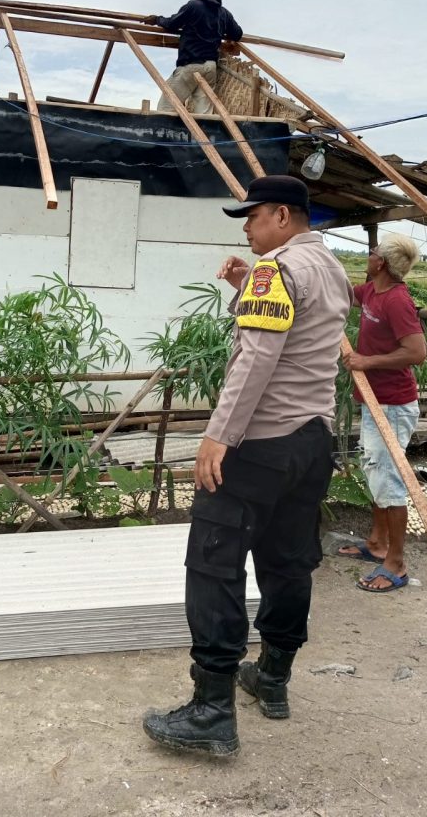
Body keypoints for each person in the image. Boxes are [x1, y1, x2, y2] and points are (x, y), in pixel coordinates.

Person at [143, 176, 353, 757]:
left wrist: (218, 436)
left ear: (282, 215)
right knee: (288, 562)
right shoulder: (330, 267)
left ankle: (211, 708)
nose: (246, 226)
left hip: (258, 445)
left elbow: (258, 356)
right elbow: (298, 329)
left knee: (214, 566)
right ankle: (273, 678)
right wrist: (245, 284)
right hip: (311, 444)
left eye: (253, 216)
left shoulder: (275, 271)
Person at [338, 234, 427, 592]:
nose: (368, 255)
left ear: (382, 264)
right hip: (375, 399)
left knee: (388, 479)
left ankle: (396, 563)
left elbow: (417, 351)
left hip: (392, 404)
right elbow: (345, 294)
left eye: (373, 253)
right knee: (374, 469)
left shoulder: (397, 301)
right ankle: (377, 544)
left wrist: (367, 361)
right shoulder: (373, 290)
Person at [142, 0, 242, 114]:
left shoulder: (194, 6)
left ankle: (163, 136)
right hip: (210, 67)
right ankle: (202, 136)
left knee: (166, 108)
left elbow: (171, 24)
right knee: (204, 115)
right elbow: (238, 34)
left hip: (191, 66)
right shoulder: (224, 13)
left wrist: (157, 19)